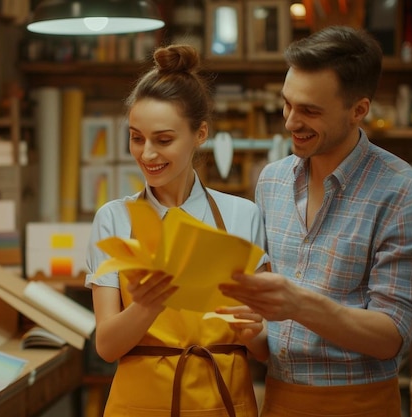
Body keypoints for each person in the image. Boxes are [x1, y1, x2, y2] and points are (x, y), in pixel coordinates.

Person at [217, 26, 412, 416]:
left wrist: (299, 304)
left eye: (310, 111)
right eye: (287, 104)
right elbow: (269, 324)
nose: (290, 122)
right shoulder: (271, 181)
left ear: (359, 110)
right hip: (277, 399)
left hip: (360, 404)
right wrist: (254, 330)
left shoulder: (405, 195)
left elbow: (391, 335)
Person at [85, 44, 267, 417]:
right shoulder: (114, 218)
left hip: (224, 403)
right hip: (139, 406)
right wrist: (150, 303)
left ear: (200, 134)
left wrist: (256, 332)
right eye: (137, 137)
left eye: (163, 140)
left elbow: (268, 350)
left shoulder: (243, 216)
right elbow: (106, 346)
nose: (147, 154)